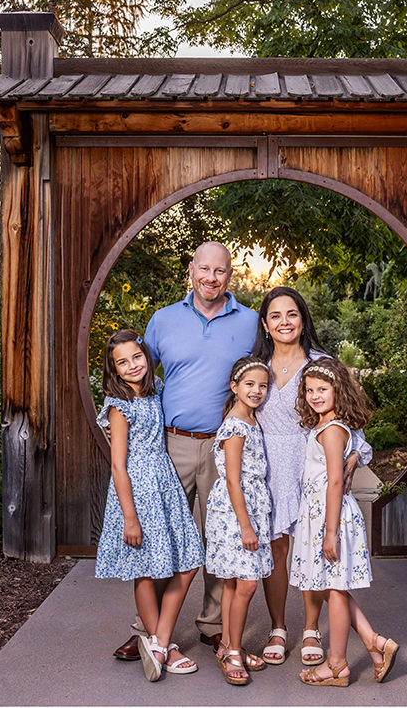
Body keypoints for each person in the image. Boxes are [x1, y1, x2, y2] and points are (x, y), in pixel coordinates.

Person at [113, 242, 259, 660]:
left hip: (224, 447)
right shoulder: (162, 320)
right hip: (171, 444)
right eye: (204, 269)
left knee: (220, 538)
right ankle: (149, 630)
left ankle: (214, 626)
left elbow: (264, 376)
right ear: (191, 270)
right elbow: (139, 376)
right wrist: (129, 432)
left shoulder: (249, 323)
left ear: (230, 275)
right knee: (163, 538)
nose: (211, 278)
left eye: (221, 271)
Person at [250, 286, 372, 666]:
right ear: (266, 325)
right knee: (277, 549)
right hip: (268, 468)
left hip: (311, 470)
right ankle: (277, 627)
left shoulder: (322, 363)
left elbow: (352, 425)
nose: (284, 322)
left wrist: (353, 456)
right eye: (275, 316)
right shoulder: (256, 367)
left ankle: (310, 629)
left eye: (291, 314)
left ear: (303, 320)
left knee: (309, 549)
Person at [94, 329, 204, 682]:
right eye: (122, 362)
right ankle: (166, 649)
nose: (132, 366)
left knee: (188, 560)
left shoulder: (156, 393)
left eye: (136, 357)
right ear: (113, 369)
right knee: (144, 568)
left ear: (146, 355)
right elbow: (117, 465)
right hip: (137, 489)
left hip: (165, 481)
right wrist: (130, 517)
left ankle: (159, 640)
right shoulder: (119, 405)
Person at [290, 356, 398, 686]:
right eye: (309, 390)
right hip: (321, 516)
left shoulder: (333, 430)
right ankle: (374, 642)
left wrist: (330, 532)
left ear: (339, 391)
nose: (315, 395)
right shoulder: (325, 426)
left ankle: (336, 664)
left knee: (334, 590)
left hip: (329, 517)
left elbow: (335, 481)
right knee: (327, 587)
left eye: (323, 389)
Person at [205, 356, 275, 685]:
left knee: (234, 582)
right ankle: (232, 651)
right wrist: (246, 525)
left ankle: (229, 647)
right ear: (235, 387)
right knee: (246, 583)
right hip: (237, 512)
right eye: (249, 384)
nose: (257, 390)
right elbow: (233, 480)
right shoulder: (235, 425)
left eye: (263, 385)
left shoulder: (251, 419)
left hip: (252, 507)